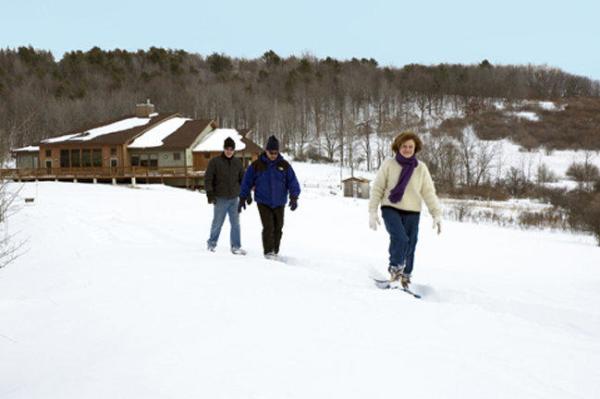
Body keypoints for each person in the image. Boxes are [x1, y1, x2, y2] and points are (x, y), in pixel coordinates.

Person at [368, 131, 442, 288]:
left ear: (415, 149)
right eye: (404, 146)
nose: (407, 149)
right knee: (400, 238)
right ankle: (395, 270)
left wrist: (436, 213)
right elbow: (378, 188)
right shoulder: (389, 164)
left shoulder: (421, 168)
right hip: (390, 207)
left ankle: (405, 277)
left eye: (410, 147)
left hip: (412, 211)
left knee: (411, 243)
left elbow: (428, 192)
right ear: (397, 147)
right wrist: (372, 211)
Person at [239, 135, 301, 260]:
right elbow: (247, 181)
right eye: (271, 152)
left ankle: (275, 250)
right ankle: (268, 252)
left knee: (279, 227)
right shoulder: (257, 165)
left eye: (275, 152)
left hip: (279, 201)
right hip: (263, 201)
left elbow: (292, 181)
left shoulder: (284, 165)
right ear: (266, 151)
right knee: (268, 226)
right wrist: (243, 197)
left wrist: (294, 197)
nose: (273, 155)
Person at [205, 137, 247, 255]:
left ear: (234, 150)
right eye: (227, 148)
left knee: (236, 224)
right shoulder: (215, 162)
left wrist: (246, 195)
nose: (229, 151)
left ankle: (236, 247)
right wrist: (210, 193)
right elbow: (208, 178)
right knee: (217, 223)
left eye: (231, 149)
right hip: (220, 198)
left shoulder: (237, 163)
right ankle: (211, 244)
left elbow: (243, 180)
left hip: (234, 198)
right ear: (224, 149)